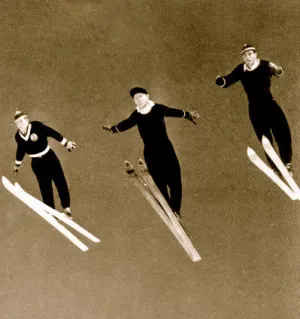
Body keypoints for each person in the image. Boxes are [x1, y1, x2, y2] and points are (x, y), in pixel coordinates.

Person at [103, 87, 199, 218]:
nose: (138, 100)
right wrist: (113, 129)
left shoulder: (158, 109)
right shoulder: (136, 115)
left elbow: (172, 111)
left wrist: (188, 114)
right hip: (150, 152)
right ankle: (168, 208)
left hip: (166, 150)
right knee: (159, 182)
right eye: (135, 98)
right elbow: (126, 124)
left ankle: (175, 209)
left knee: (174, 180)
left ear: (147, 96)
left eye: (140, 96)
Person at [216, 44, 293, 176]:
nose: (248, 57)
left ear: (255, 54)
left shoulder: (265, 65)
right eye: (245, 55)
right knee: (265, 139)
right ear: (243, 58)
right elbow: (228, 81)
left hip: (270, 105)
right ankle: (275, 167)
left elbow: (278, 72)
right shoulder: (241, 69)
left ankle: (287, 163)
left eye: (250, 54)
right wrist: (220, 81)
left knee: (282, 132)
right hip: (255, 109)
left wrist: (277, 69)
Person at [13, 111, 76, 217]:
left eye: (21, 121)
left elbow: (52, 132)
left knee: (60, 181)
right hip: (37, 164)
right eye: (17, 123)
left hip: (49, 157)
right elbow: (20, 150)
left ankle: (66, 209)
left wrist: (66, 143)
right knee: (45, 187)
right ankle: (52, 212)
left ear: (27, 120)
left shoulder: (37, 126)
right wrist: (17, 164)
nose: (19, 124)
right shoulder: (18, 137)